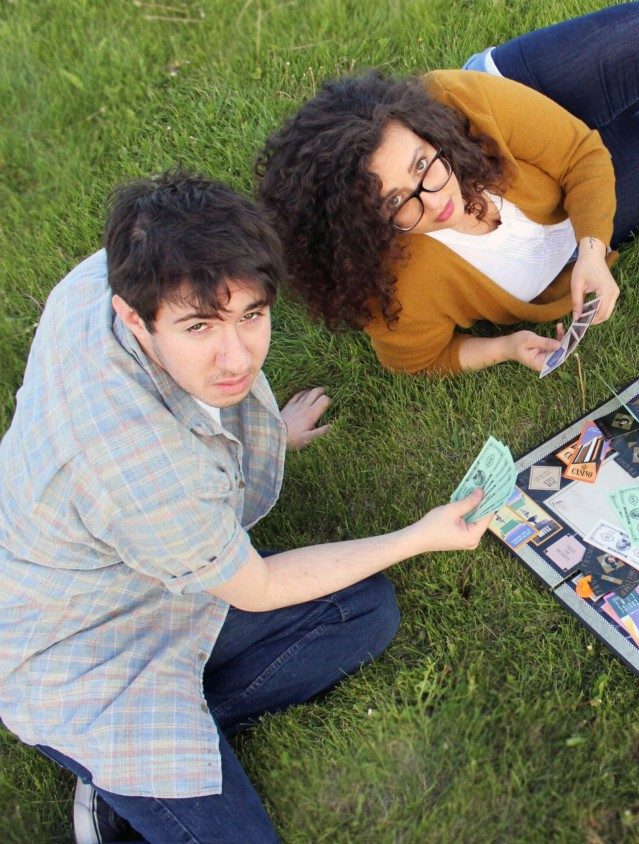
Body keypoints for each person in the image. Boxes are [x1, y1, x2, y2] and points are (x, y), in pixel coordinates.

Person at [0, 173, 491, 843]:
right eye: (200, 326)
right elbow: (258, 589)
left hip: (146, 576)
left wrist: (263, 432)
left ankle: (179, 736)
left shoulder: (117, 272)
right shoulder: (141, 464)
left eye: (253, 314)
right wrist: (420, 535)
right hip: (83, 652)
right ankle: (115, 777)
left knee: (364, 612)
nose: (235, 358)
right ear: (134, 318)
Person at [256, 2, 639, 376]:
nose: (435, 197)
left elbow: (580, 153)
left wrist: (594, 252)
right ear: (367, 228)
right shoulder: (393, 287)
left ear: (428, 133)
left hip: (521, 115)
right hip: (568, 208)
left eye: (424, 165)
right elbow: (421, 358)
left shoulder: (454, 104)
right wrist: (503, 347)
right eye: (398, 203)